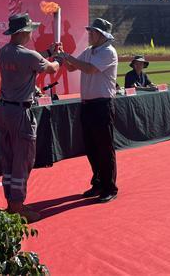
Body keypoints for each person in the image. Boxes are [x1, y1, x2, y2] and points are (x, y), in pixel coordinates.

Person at [0, 13, 60, 222]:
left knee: (9, 157)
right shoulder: (28, 55)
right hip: (20, 113)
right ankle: (17, 206)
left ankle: (11, 202)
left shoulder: (4, 52)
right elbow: (50, 68)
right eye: (30, 30)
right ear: (24, 32)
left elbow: (30, 59)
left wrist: (48, 52)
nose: (32, 33)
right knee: (23, 159)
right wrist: (58, 58)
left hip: (4, 110)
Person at [58, 18, 119, 204]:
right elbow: (71, 68)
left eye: (92, 32)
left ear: (102, 35)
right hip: (87, 105)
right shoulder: (89, 51)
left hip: (102, 105)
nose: (89, 34)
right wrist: (62, 56)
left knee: (104, 148)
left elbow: (89, 69)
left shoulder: (108, 52)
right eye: (90, 31)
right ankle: (98, 183)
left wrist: (67, 56)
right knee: (91, 148)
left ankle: (110, 187)